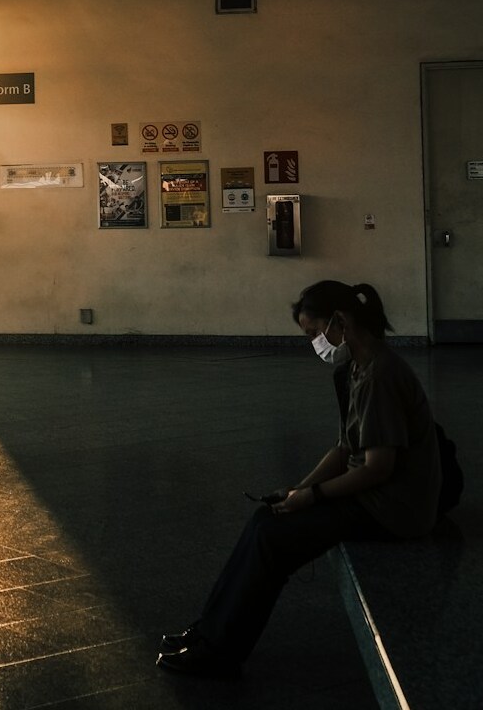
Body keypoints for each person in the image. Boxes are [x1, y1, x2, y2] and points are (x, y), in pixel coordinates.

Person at [157, 280, 442, 675]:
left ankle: (221, 650)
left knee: (273, 540)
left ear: (339, 321)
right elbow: (344, 450)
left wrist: (314, 497)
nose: (315, 344)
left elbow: (378, 467)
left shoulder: (379, 375)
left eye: (314, 333)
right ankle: (208, 630)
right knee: (265, 521)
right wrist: (297, 490)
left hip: (393, 507)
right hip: (373, 496)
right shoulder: (356, 369)